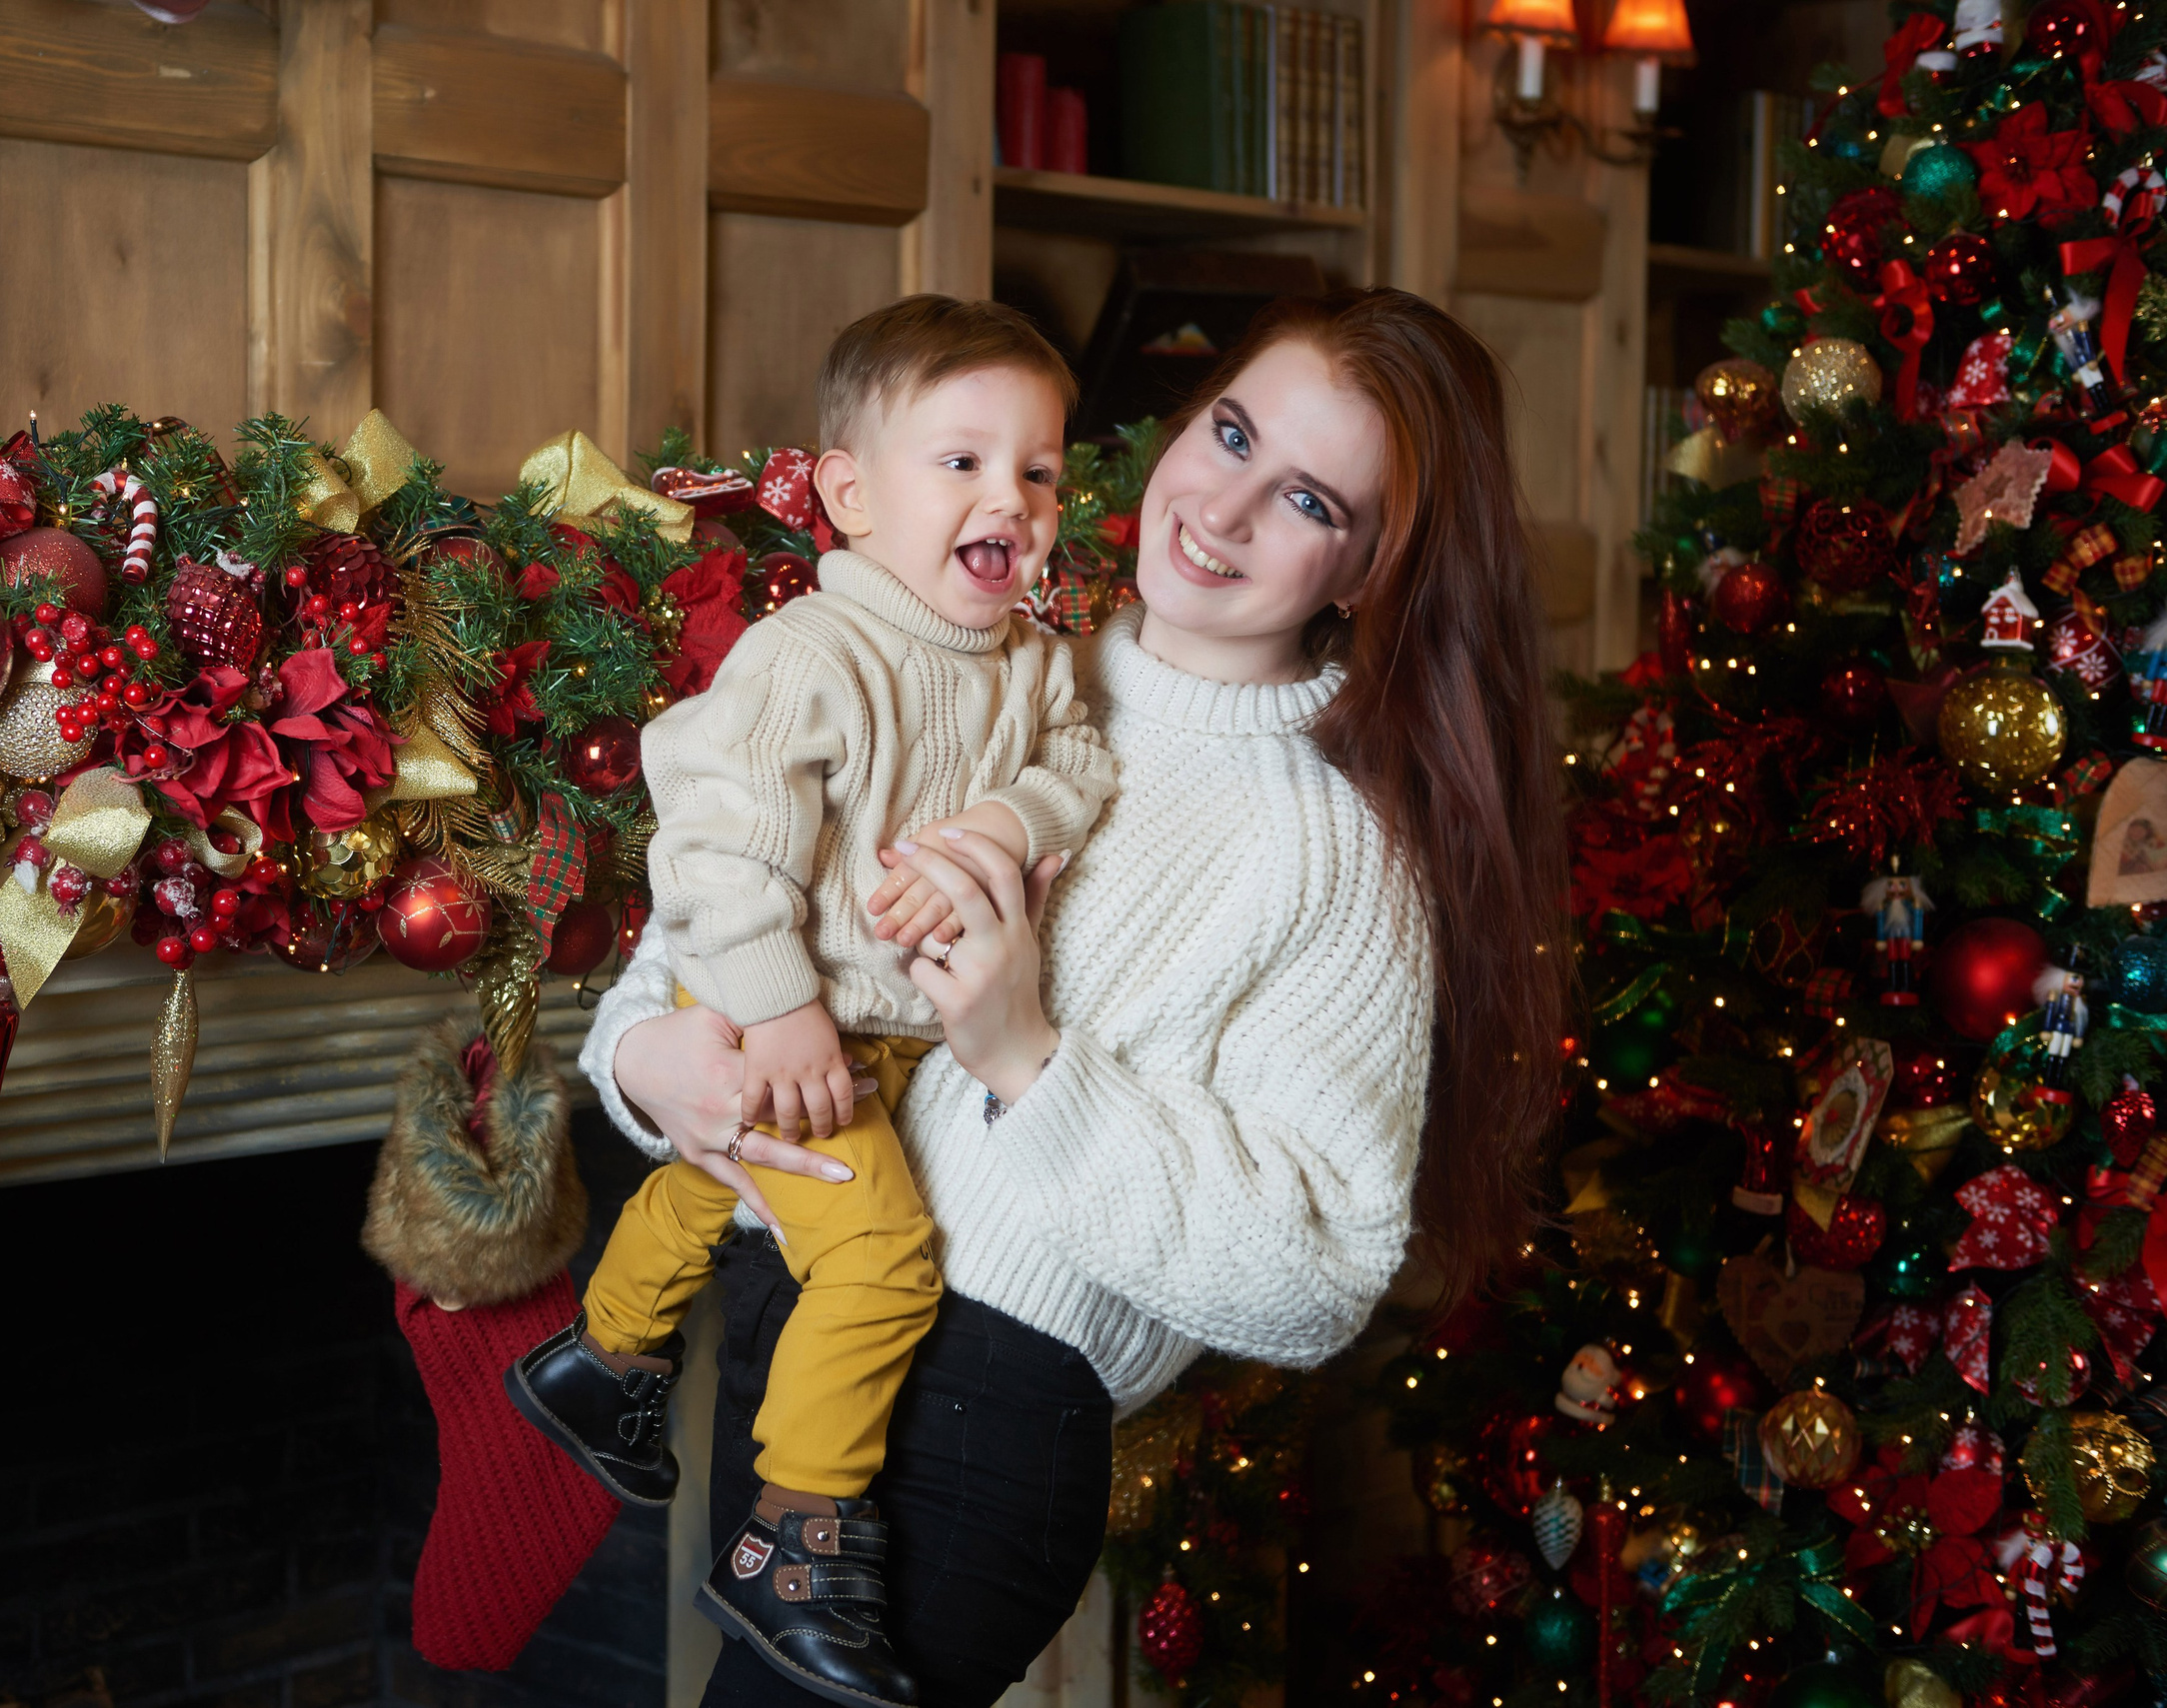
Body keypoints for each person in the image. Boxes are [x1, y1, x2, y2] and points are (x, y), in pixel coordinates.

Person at [583, 286, 1569, 1708]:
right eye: (1228, 432)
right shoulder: (984, 650)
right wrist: (645, 1063)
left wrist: (1028, 1059)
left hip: (974, 1415)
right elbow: (715, 905)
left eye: (1306, 499)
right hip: (791, 1322)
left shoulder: (1338, 852)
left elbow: (1317, 1275)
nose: (1220, 510)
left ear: (1368, 569)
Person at [508, 295, 1116, 1708]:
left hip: (898, 1040)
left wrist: (1014, 817)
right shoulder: (809, 658)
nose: (1009, 499)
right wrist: (774, 1007)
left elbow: (1080, 768)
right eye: (960, 460)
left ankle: (601, 1359)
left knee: (742, 1185)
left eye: (1036, 470)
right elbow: (714, 837)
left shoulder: (1031, 664)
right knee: (883, 1251)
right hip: (796, 1017)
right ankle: (795, 1531)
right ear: (847, 492)